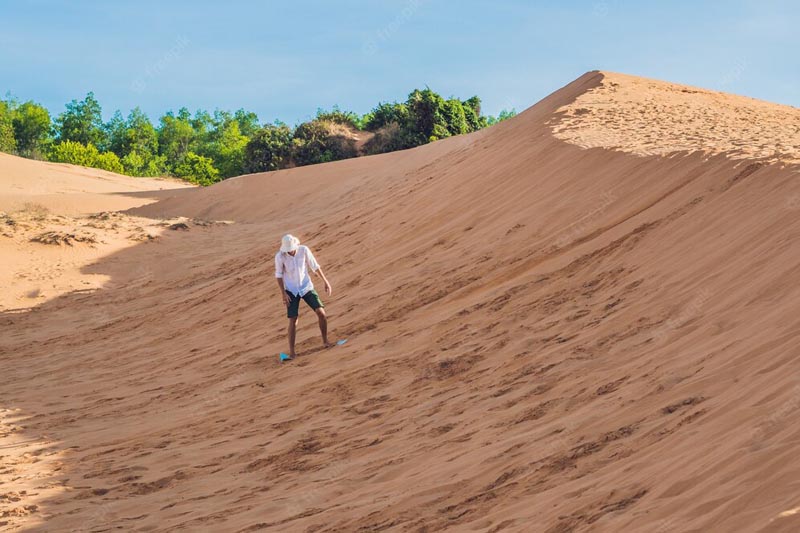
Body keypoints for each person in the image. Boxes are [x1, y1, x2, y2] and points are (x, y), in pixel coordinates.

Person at [274, 234, 332, 359]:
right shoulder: (280, 256)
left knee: (321, 312)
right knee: (293, 319)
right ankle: (292, 352)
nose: (290, 251)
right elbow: (278, 275)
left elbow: (315, 266)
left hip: (306, 287)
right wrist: (283, 294)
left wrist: (325, 281)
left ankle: (325, 341)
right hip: (290, 290)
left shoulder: (304, 250)